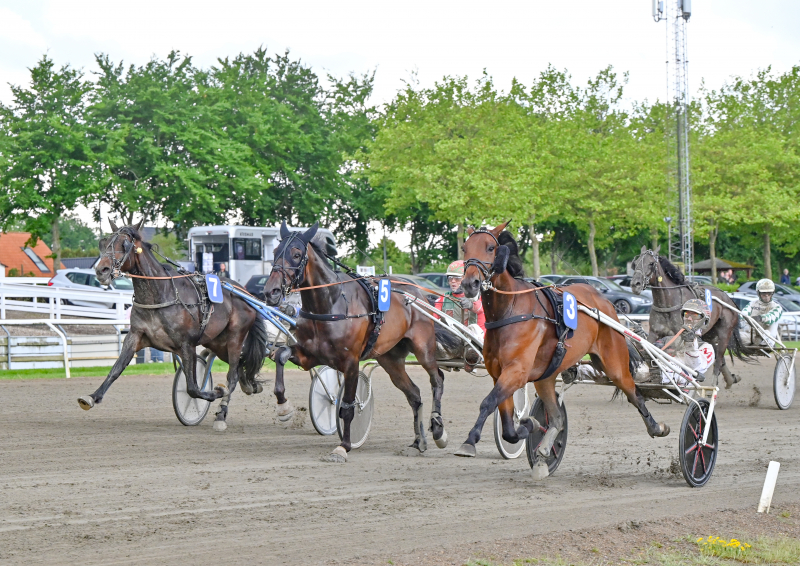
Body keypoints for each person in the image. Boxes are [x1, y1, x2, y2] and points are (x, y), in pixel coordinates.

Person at [574, 299, 715, 387]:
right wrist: (641, 340)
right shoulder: (669, 339)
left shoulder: (707, 348)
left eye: (695, 315)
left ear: (705, 321)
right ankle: (577, 371)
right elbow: (652, 351)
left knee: (634, 371)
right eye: (686, 314)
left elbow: (696, 368)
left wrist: (690, 342)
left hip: (676, 376)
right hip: (652, 369)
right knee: (618, 365)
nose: (689, 319)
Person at [434, 260, 485, 341]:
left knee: (474, 328)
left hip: (475, 341)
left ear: (466, 279)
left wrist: (471, 305)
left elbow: (482, 309)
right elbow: (434, 317)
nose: (453, 281)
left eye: (457, 278)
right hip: (451, 341)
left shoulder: (478, 297)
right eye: (450, 278)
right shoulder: (442, 299)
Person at [741, 279, 783, 347]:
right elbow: (744, 313)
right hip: (751, 336)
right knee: (735, 336)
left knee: (766, 334)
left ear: (772, 293)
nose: (766, 295)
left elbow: (771, 318)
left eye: (769, 293)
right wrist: (740, 316)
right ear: (758, 293)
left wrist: (760, 318)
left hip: (768, 337)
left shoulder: (777, 307)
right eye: (763, 293)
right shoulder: (752, 304)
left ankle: (761, 339)